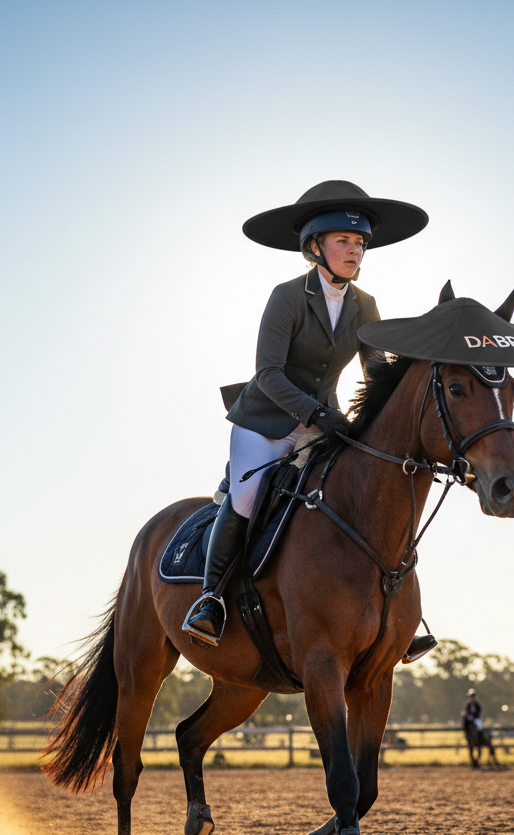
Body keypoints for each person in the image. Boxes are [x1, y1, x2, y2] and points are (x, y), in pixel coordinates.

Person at [182, 180, 436, 659]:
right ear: (314, 247)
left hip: (326, 422)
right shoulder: (287, 297)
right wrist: (318, 413)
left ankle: (400, 615)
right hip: (267, 421)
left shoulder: (365, 305)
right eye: (344, 241)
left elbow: (375, 373)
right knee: (247, 496)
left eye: (360, 243)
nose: (355, 250)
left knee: (371, 492)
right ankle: (210, 600)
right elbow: (268, 373)